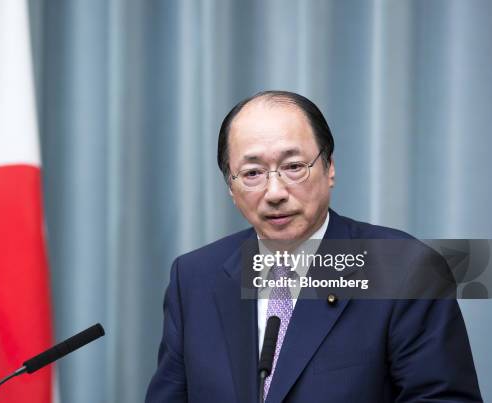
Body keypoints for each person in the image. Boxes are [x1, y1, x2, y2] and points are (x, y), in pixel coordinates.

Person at [146, 91, 482, 402]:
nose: (275, 192)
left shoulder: (406, 268)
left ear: (329, 168)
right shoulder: (193, 278)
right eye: (252, 173)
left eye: (294, 167)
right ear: (231, 189)